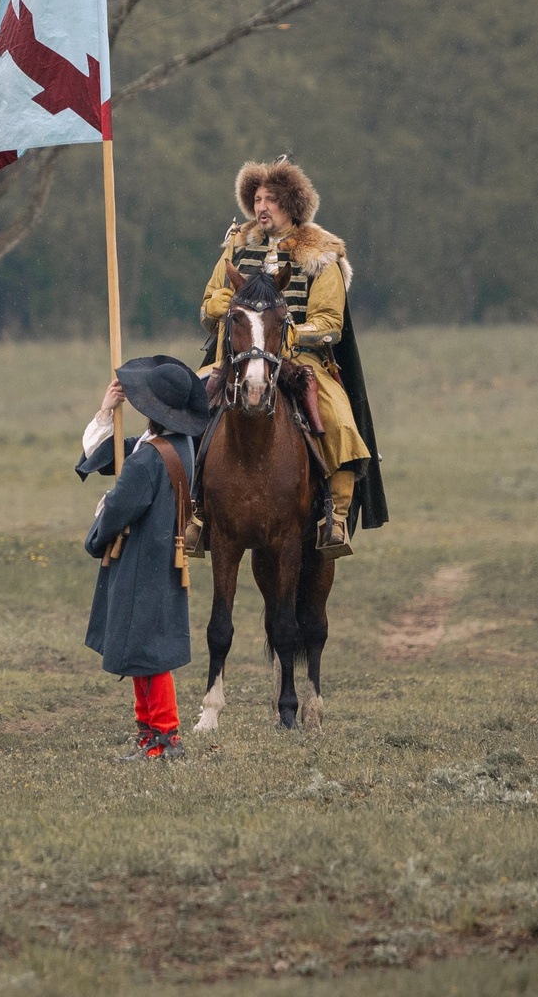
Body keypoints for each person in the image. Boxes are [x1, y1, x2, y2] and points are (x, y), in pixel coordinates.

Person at [195, 158, 386, 559]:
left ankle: (335, 514)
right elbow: (209, 303)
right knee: (189, 402)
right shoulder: (237, 245)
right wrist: (229, 305)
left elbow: (330, 322)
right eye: (258, 199)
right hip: (239, 356)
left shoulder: (322, 253)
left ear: (292, 204)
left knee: (337, 416)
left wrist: (287, 335)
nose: (261, 207)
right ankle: (194, 510)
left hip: (300, 358)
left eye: (272, 200)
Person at [76, 356, 211, 757]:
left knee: (149, 653)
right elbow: (103, 455)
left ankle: (165, 736)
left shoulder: (149, 457)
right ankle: (151, 736)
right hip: (160, 559)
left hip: (141, 562)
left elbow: (118, 507)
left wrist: (97, 533)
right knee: (143, 649)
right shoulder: (178, 443)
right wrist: (106, 412)